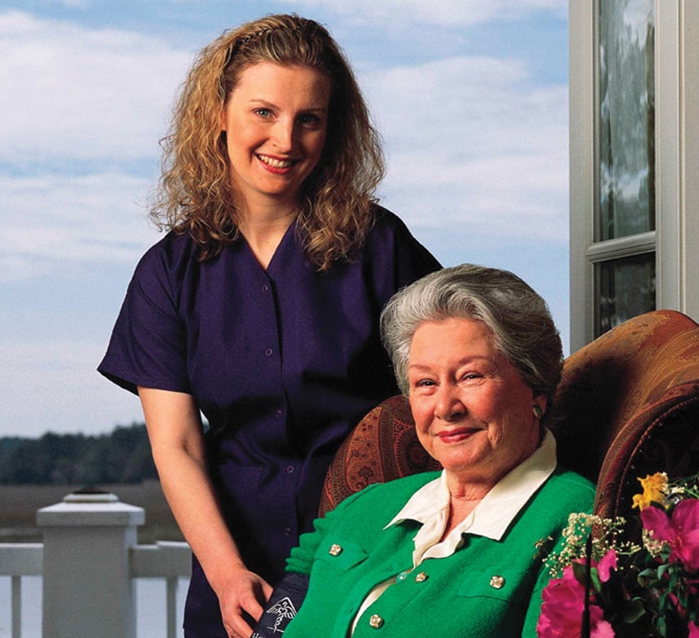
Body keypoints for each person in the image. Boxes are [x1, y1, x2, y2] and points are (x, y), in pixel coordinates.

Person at [97, 13, 441, 638]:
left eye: (308, 118)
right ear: (218, 115)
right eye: (264, 112)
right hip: (235, 570)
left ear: (331, 130)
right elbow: (176, 445)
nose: (285, 140)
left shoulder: (383, 248)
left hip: (375, 556)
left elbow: (450, 384)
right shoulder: (166, 274)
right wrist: (227, 572)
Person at [268, 264, 595, 637]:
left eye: (470, 376)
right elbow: (285, 606)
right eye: (425, 383)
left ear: (535, 388)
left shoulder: (574, 524)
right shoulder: (368, 505)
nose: (444, 407)